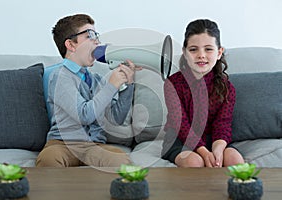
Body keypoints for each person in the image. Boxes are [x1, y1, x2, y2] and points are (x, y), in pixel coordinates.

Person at [36, 14, 141, 167]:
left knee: (120, 160)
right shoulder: (60, 77)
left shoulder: (97, 80)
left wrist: (127, 85)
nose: (97, 41)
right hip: (62, 144)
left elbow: (116, 118)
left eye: (96, 35)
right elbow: (84, 115)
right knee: (49, 159)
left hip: (94, 146)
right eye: (90, 35)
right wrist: (111, 85)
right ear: (71, 45)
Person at [161, 19, 244, 167]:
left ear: (219, 53)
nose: (201, 55)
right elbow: (182, 124)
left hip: (213, 139)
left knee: (233, 158)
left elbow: (222, 124)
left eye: (208, 49)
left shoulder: (227, 88)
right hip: (180, 139)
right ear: (185, 53)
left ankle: (236, 189)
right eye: (193, 49)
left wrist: (217, 151)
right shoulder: (172, 84)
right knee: (195, 162)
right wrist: (205, 153)